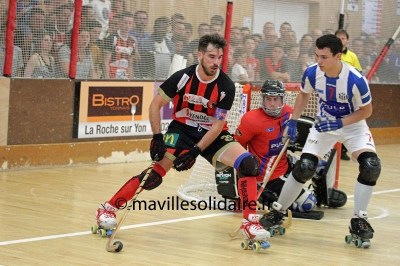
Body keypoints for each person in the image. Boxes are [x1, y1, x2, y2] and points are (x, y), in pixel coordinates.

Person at [95, 33, 270, 244]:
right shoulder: (182, 77)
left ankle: (250, 223)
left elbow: (216, 127)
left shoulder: (226, 86)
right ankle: (108, 209)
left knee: (249, 163)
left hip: (212, 135)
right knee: (153, 175)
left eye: (219, 58)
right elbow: (155, 105)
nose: (216, 62)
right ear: (200, 55)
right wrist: (157, 136)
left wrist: (196, 151)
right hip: (181, 131)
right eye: (212, 57)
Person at [262, 34, 380, 246]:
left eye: (324, 57)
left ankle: (359, 219)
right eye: (317, 55)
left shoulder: (356, 80)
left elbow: (366, 111)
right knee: (305, 166)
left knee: (371, 166)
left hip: (353, 125)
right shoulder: (312, 73)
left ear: (338, 56)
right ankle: (277, 212)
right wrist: (293, 121)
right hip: (324, 125)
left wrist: (340, 123)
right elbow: (304, 95)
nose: (319, 61)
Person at [335, 29, 361, 160]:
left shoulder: (352, 57)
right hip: (333, 92)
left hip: (348, 94)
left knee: (347, 120)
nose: (340, 41)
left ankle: (344, 150)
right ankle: (331, 149)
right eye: (338, 38)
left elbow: (358, 73)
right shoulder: (331, 55)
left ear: (347, 40)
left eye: (343, 38)